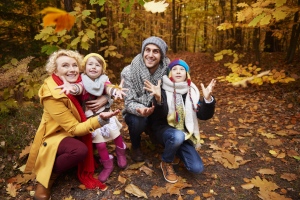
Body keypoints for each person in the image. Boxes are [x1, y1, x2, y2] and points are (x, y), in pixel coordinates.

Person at [24, 49, 120, 200]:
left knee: (97, 139)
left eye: (74, 65)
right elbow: (74, 128)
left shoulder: (79, 83)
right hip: (56, 134)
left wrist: (106, 98)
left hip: (77, 126)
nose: (71, 69)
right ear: (55, 70)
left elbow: (102, 86)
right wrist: (100, 120)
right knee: (80, 150)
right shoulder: (52, 94)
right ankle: (47, 177)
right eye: (65, 66)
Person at [144, 59, 216, 183]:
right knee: (177, 136)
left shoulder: (192, 92)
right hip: (164, 131)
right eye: (174, 69)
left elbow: (203, 115)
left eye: (182, 69)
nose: (178, 71)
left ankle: (176, 149)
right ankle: (166, 162)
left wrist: (208, 99)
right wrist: (159, 99)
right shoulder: (161, 90)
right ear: (169, 73)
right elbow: (157, 117)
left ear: (186, 74)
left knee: (196, 168)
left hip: (185, 134)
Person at [58, 53, 127, 182]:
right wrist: (70, 87)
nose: (94, 67)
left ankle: (121, 154)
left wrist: (115, 91)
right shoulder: (82, 82)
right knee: (100, 145)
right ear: (84, 67)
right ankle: (107, 165)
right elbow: (78, 89)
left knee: (116, 136)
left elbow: (108, 88)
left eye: (98, 65)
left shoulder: (103, 80)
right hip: (92, 119)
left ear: (102, 69)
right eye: (90, 64)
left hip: (107, 114)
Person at [122, 36, 170, 162]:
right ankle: (136, 146)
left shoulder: (168, 72)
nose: (150, 55)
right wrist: (141, 109)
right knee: (138, 121)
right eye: (147, 50)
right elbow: (129, 101)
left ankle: (155, 132)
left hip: (158, 110)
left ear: (162, 56)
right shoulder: (129, 71)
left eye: (156, 51)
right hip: (136, 111)